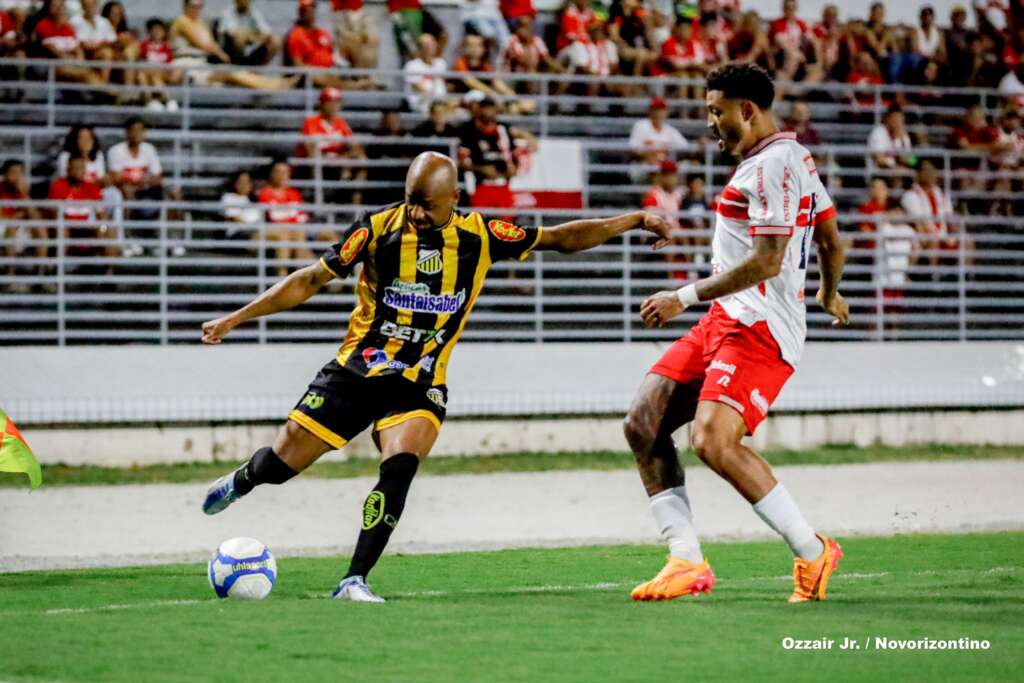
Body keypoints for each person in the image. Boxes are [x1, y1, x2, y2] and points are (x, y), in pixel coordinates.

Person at [198, 150, 673, 602]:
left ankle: (354, 579)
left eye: (426, 206)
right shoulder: (376, 229)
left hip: (420, 380)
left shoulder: (482, 234)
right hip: (356, 370)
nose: (416, 214)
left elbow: (561, 238)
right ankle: (244, 479)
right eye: (410, 201)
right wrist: (235, 318)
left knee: (401, 464)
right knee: (281, 466)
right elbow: (309, 279)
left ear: (454, 200)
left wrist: (632, 220)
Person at [626, 63, 848, 604]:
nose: (710, 122)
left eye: (715, 111)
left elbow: (769, 261)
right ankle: (685, 559)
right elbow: (831, 239)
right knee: (644, 422)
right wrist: (828, 290)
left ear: (746, 110)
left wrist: (682, 295)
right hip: (727, 317)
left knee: (712, 440)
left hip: (760, 327)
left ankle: (813, 551)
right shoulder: (794, 158)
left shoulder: (773, 167)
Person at [170, 0, 296, 91]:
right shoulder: (182, 21)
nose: (197, 9)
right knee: (230, 74)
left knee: (235, 73)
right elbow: (204, 44)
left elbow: (266, 34)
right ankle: (274, 86)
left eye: (200, 6)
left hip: (201, 64)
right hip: (187, 65)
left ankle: (276, 84)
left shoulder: (200, 23)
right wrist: (221, 54)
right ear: (185, 5)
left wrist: (219, 51)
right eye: (194, 5)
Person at [48, 155, 117, 266]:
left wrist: (103, 228)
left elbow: (101, 214)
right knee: (62, 231)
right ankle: (57, 271)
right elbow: (54, 213)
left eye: (81, 168)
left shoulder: (92, 188)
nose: (78, 171)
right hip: (67, 227)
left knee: (106, 231)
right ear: (68, 169)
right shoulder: (58, 186)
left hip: (88, 228)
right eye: (74, 168)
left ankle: (109, 273)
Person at [257, 159, 312, 279]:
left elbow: (302, 216)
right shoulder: (265, 193)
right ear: (271, 174)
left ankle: (301, 278)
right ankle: (282, 277)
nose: (282, 176)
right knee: (287, 236)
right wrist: (292, 216)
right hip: (274, 231)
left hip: (294, 231)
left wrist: (289, 216)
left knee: (299, 235)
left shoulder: (294, 193)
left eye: (285, 172)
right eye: (279, 172)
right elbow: (274, 217)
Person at [32, 0, 107, 87]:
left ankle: (109, 94)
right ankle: (111, 93)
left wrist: (80, 61)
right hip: (53, 66)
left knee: (86, 71)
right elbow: (54, 51)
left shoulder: (68, 27)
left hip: (70, 64)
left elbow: (77, 48)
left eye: (60, 6)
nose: (58, 9)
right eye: (54, 6)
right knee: (84, 74)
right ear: (48, 7)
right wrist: (73, 61)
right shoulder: (42, 25)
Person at [0, 159, 45, 291]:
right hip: (3, 227)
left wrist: (24, 195)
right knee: (11, 229)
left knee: (40, 229)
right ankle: (10, 276)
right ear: (5, 175)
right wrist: (20, 216)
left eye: (20, 173)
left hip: (20, 228)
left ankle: (40, 275)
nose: (17, 176)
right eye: (13, 172)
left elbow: (36, 217)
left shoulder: (24, 190)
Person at [629, 97, 688, 170]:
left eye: (661, 110)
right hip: (644, 163)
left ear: (666, 112)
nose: (658, 112)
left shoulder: (670, 130)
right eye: (656, 109)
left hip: (664, 165)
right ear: (650, 111)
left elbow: (684, 146)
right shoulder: (641, 126)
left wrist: (667, 151)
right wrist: (647, 155)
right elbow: (632, 148)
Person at [219, 0, 279, 66]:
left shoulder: (254, 13)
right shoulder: (227, 13)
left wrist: (249, 37)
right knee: (238, 40)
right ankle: (236, 67)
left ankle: (256, 69)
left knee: (276, 41)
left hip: (249, 49)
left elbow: (268, 34)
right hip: (230, 52)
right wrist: (254, 35)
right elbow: (233, 34)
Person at [138, 18, 181, 110]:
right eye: (155, 30)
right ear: (150, 32)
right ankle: (151, 100)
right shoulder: (144, 45)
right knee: (142, 74)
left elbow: (170, 64)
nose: (157, 32)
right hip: (149, 73)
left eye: (159, 29)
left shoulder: (167, 48)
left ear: (164, 32)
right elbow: (141, 60)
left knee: (155, 73)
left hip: (163, 73)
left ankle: (168, 99)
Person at [403, 33, 449, 114]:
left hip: (441, 104)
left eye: (432, 45)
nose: (430, 48)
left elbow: (445, 85)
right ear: (419, 48)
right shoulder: (412, 65)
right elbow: (419, 87)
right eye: (426, 46)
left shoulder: (441, 63)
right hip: (422, 103)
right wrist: (437, 101)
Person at [331, 0, 378, 69]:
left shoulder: (365, 15)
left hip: (363, 56)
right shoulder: (339, 14)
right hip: (344, 58)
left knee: (370, 50)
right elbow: (343, 36)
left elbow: (372, 38)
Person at [868, 105, 914, 169]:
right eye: (894, 119)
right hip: (879, 172)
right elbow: (879, 160)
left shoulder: (903, 135)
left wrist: (902, 142)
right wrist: (896, 165)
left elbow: (912, 160)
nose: (897, 123)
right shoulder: (878, 133)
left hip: (899, 171)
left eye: (899, 120)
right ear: (887, 119)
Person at [221, 169, 261, 239]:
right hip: (238, 234)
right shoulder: (229, 197)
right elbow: (235, 218)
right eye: (241, 181)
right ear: (235, 184)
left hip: (256, 232)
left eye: (247, 181)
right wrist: (253, 227)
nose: (244, 184)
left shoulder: (254, 201)